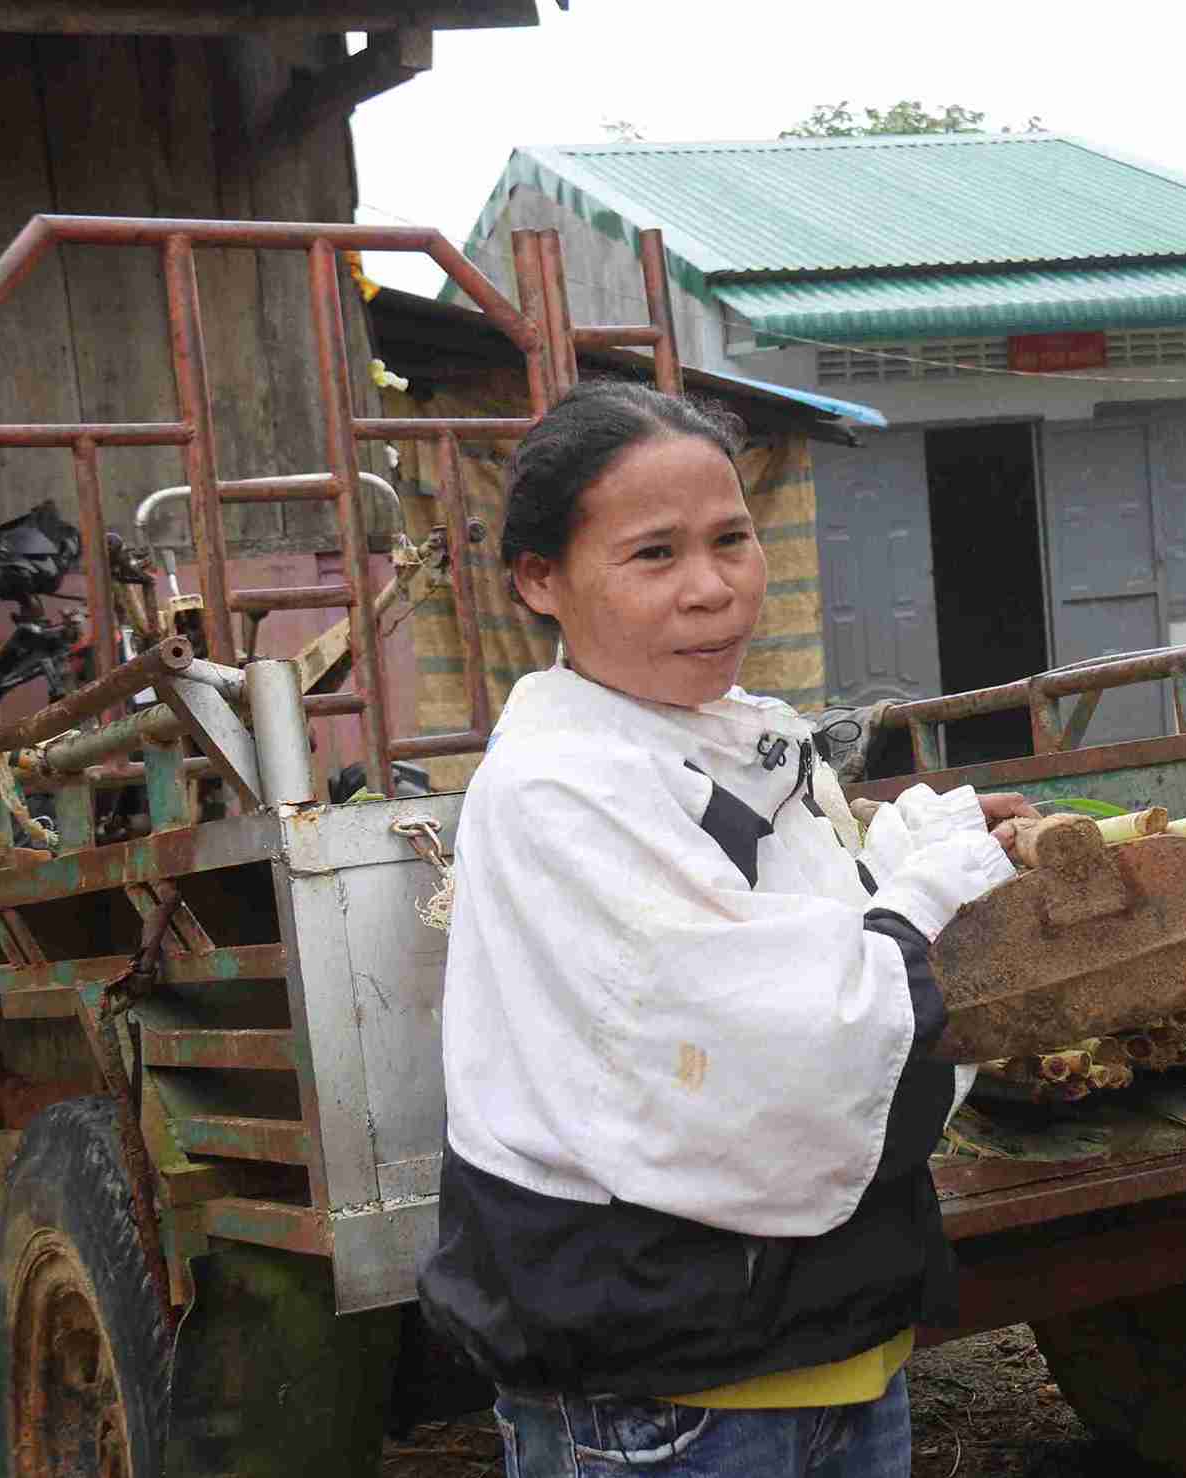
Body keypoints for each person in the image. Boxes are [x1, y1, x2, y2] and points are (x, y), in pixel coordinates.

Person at [418, 381, 1037, 1476]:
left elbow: (812, 920)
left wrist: (935, 839)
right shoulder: (559, 790)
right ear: (540, 580)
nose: (713, 590)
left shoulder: (728, 739)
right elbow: (788, 1027)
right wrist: (944, 889)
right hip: (670, 1398)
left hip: (833, 1350)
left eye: (731, 540)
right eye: (654, 554)